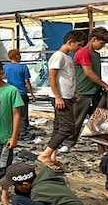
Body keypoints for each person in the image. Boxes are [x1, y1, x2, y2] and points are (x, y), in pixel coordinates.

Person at [36, 31, 88, 172]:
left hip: (67, 96)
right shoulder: (58, 56)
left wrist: (74, 92)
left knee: (59, 127)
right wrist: (58, 96)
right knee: (67, 128)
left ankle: (52, 156)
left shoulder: (68, 58)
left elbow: (67, 78)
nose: (79, 48)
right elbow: (52, 78)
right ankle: (45, 155)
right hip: (61, 98)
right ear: (70, 42)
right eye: (78, 45)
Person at [61, 27, 108, 151]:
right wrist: (106, 86)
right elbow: (89, 73)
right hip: (83, 92)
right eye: (101, 43)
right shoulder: (83, 52)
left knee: (99, 121)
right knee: (76, 119)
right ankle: (68, 143)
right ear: (94, 39)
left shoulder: (95, 54)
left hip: (95, 91)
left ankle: (101, 145)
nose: (102, 46)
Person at [3, 49, 36, 140]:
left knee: (11, 113)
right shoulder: (23, 67)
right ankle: (22, 133)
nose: (20, 56)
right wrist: (32, 94)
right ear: (17, 56)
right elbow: (27, 82)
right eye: (19, 55)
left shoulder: (5, 68)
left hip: (10, 93)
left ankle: (12, 132)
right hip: (21, 93)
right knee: (22, 114)